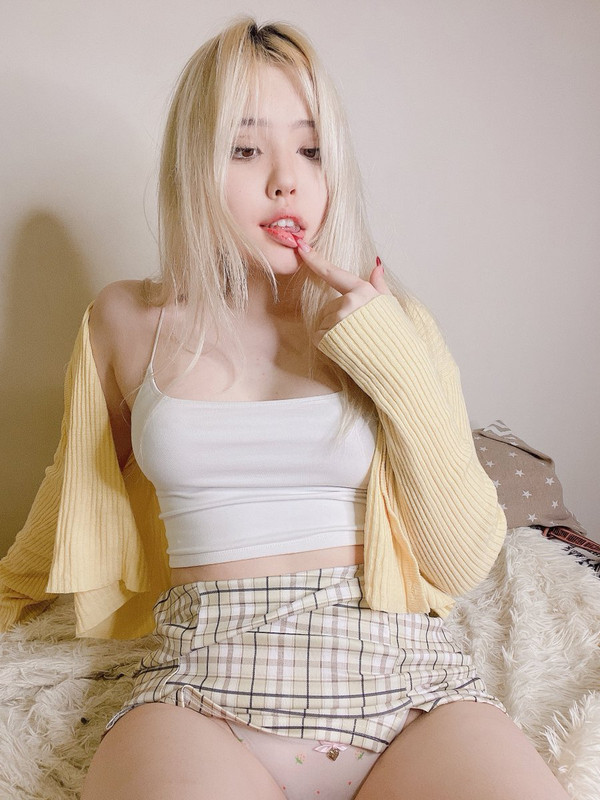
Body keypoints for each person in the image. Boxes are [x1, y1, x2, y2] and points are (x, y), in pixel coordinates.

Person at [0, 17, 570, 800]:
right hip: (204, 690)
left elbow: (462, 559)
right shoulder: (124, 322)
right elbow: (68, 500)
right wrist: (10, 595)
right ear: (193, 165)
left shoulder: (392, 324)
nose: (285, 181)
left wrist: (390, 355)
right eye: (245, 149)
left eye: (311, 150)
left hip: (408, 688)